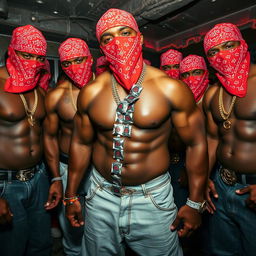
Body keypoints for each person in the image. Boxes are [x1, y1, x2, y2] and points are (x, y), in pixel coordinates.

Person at [65, 8, 208, 256]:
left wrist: (195, 203)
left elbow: (196, 143)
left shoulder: (170, 88)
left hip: (152, 197)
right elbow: (80, 143)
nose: (117, 42)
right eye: (107, 38)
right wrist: (71, 196)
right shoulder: (91, 92)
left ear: (140, 38)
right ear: (101, 47)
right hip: (101, 196)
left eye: (125, 32)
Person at [203, 23, 256, 255]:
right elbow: (211, 139)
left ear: (242, 45)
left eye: (228, 46)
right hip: (221, 186)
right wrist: (201, 178)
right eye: (213, 52)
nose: (222, 55)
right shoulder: (213, 93)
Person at [0, 24, 51, 256]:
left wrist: (57, 178)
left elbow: (46, 135)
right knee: (12, 247)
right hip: (6, 185)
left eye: (39, 57)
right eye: (26, 55)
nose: (33, 62)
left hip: (39, 177)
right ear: (12, 51)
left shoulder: (38, 90)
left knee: (41, 244)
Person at [44, 38, 94, 256]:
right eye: (68, 63)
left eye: (80, 60)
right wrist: (55, 177)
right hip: (66, 166)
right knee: (71, 228)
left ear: (90, 59)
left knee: (99, 230)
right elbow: (49, 137)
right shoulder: (57, 96)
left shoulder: (106, 90)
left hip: (98, 171)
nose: (75, 67)